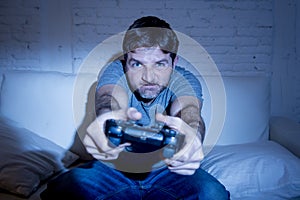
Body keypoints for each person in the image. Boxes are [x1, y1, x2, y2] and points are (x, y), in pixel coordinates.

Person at [41, 16, 230, 200]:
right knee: (61, 190)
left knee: (213, 194)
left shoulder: (185, 80)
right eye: (137, 64)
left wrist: (193, 136)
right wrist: (107, 118)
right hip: (113, 168)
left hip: (169, 169)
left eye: (160, 64)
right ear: (126, 62)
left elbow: (189, 111)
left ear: (174, 63)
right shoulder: (115, 70)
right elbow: (109, 98)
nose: (148, 77)